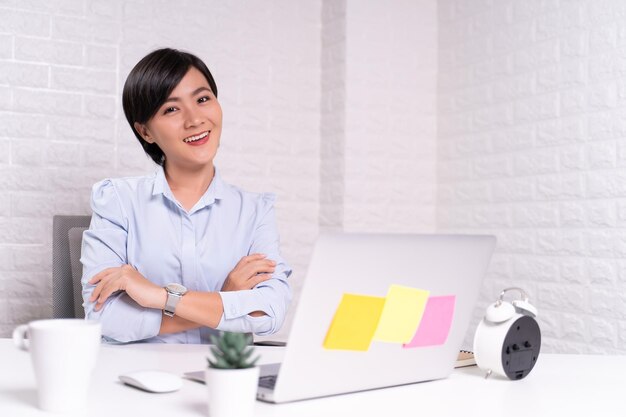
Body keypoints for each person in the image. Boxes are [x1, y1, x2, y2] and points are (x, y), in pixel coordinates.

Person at [80, 48, 292, 343]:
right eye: (171, 109)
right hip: (135, 376)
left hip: (222, 377)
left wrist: (157, 296)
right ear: (146, 132)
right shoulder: (117, 200)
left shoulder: (255, 211)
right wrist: (225, 300)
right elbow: (104, 319)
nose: (194, 119)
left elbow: (269, 312)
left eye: (203, 99)